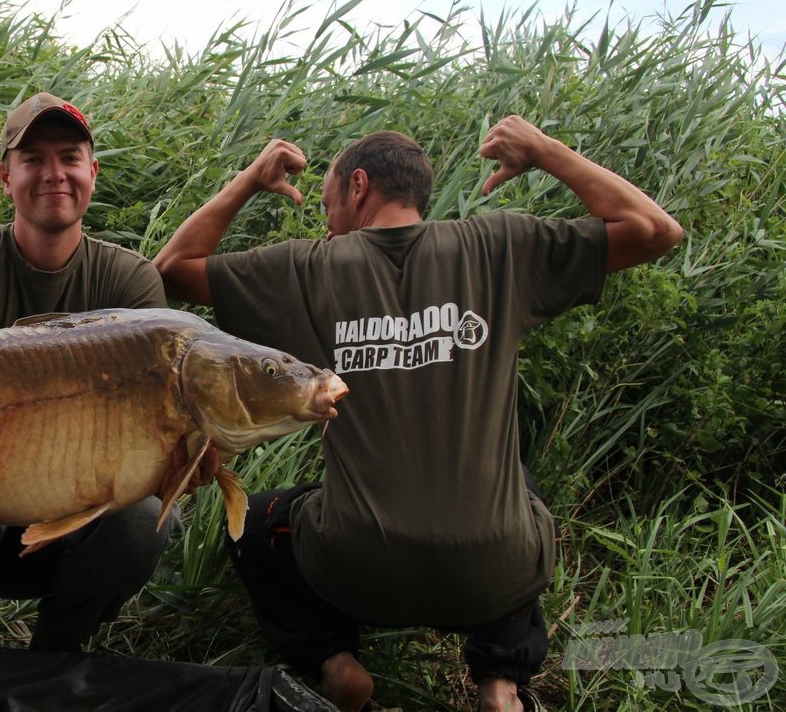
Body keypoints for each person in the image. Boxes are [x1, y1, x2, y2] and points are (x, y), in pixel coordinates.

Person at [153, 115, 683, 711]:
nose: (328, 226)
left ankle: (335, 663)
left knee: (253, 521)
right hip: (495, 571)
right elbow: (656, 230)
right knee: (516, 485)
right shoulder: (499, 247)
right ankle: (501, 683)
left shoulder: (307, 269)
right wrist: (546, 151)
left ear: (358, 188)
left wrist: (249, 179)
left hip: (353, 569)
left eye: (328, 204)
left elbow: (170, 269)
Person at [0, 92, 205, 653]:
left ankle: (55, 660)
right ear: (5, 177)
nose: (55, 174)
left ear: (92, 172)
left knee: (143, 516)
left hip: (67, 524)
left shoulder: (132, 283)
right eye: (34, 160)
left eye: (70, 157)